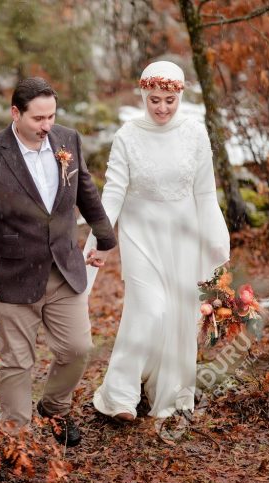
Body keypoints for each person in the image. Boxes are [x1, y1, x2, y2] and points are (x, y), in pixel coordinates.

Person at [0, 77, 117, 446]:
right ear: (16, 113)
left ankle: (54, 410)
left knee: (78, 349)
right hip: (11, 276)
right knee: (17, 362)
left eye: (51, 116)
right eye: (38, 119)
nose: (47, 126)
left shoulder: (68, 140)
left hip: (64, 267)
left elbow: (86, 190)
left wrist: (105, 238)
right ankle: (15, 441)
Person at [84, 61, 230, 421]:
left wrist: (216, 242)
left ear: (180, 96)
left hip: (183, 237)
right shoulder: (127, 136)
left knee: (177, 316)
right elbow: (113, 193)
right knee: (149, 311)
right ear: (143, 97)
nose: (162, 108)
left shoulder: (194, 134)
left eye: (169, 100)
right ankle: (119, 394)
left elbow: (206, 192)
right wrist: (99, 239)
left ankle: (168, 390)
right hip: (141, 237)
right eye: (154, 100)